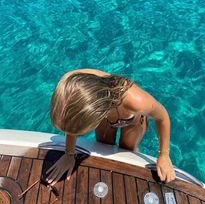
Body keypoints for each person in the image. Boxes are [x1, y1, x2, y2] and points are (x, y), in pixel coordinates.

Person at [46, 68, 176, 185]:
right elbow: (71, 120)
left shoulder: (136, 101)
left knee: (127, 148)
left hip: (132, 120)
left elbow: (162, 116)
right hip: (105, 111)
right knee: (104, 145)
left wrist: (164, 155)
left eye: (79, 133)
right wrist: (69, 154)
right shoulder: (71, 84)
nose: (72, 135)